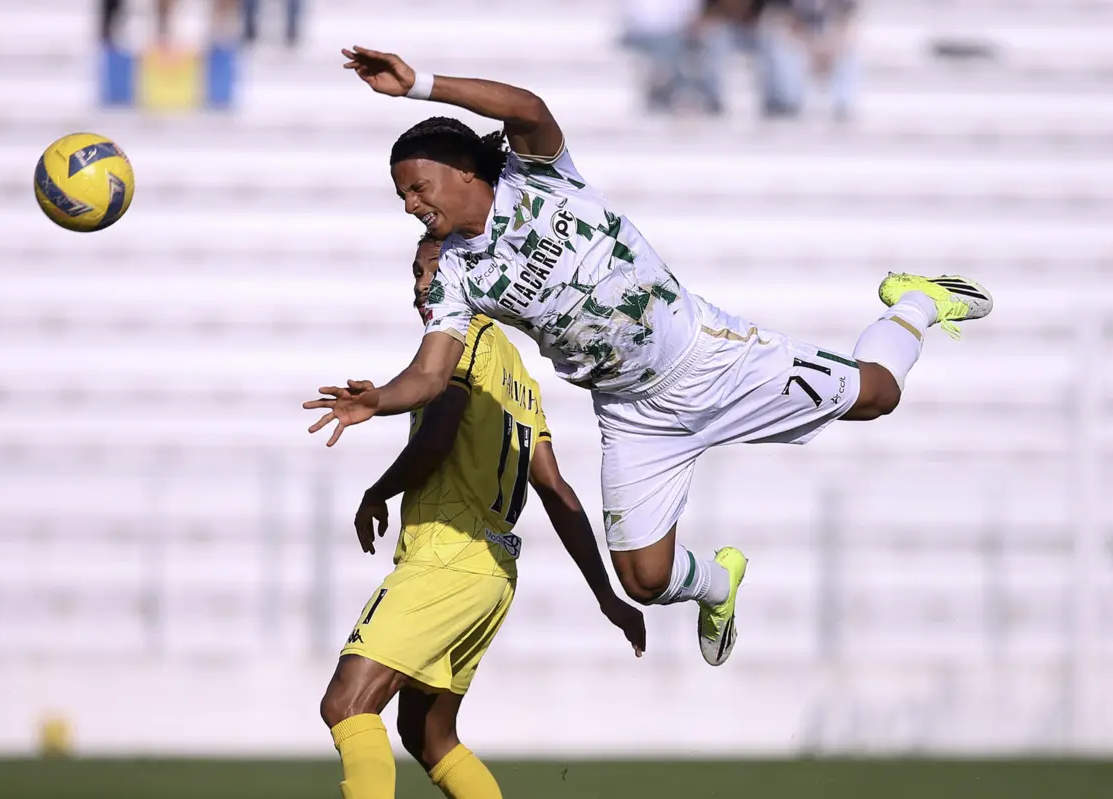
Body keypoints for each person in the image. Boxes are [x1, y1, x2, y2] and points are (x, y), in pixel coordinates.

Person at [305, 47, 993, 668]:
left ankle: (913, 303)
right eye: (401, 196)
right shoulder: (455, 274)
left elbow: (528, 107)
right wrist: (377, 399)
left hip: (706, 358)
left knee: (879, 395)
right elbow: (430, 374)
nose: (410, 205)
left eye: (417, 187)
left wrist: (419, 85)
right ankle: (720, 582)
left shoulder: (537, 176)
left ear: (462, 172)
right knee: (644, 577)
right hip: (634, 414)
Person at [319, 236, 645, 799]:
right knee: (429, 736)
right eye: (416, 272)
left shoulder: (460, 340)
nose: (422, 285)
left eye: (434, 271)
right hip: (493, 572)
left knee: (346, 703)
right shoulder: (520, 376)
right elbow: (556, 489)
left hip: (447, 555)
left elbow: (442, 429)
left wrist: (379, 491)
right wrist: (606, 595)